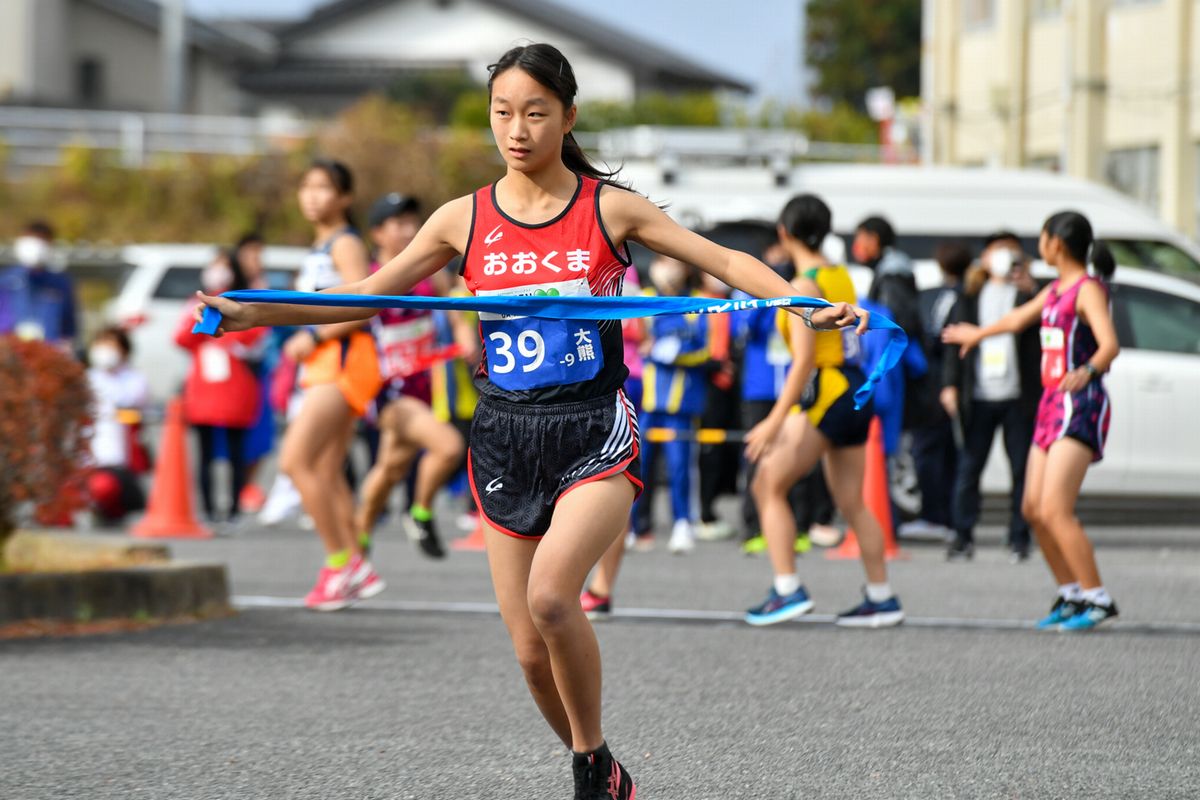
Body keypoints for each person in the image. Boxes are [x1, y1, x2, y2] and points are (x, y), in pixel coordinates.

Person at [195, 43, 867, 799]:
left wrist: (799, 298)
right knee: (525, 650)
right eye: (502, 113)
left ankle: (587, 769)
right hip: (504, 438)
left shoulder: (608, 208)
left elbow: (723, 262)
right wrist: (254, 312)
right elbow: (369, 293)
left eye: (535, 113)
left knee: (554, 598)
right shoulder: (463, 218)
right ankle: (601, 762)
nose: (517, 129)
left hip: (594, 431)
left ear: (568, 116)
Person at [943, 211, 1120, 631]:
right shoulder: (1056, 289)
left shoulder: (1086, 289)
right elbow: (1016, 320)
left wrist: (1089, 370)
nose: (1037, 245)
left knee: (1056, 510)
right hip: (1050, 403)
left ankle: (1098, 597)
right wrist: (976, 334)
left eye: (1041, 238)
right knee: (1032, 510)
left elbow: (1109, 344)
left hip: (1079, 401)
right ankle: (1071, 593)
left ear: (1055, 243)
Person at [744, 194, 903, 628]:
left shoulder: (805, 285)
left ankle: (787, 589)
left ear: (784, 232)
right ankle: (881, 596)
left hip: (828, 392)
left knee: (767, 485)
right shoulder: (838, 274)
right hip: (855, 389)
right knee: (852, 502)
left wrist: (773, 422)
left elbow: (805, 359)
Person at [284, 158, 386, 610]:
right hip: (328, 366)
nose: (312, 196)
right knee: (326, 470)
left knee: (294, 462)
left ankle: (340, 562)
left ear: (344, 198)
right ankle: (356, 567)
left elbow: (363, 307)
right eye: (306, 187)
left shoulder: (345, 243)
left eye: (323, 188)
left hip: (343, 363)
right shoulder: (320, 245)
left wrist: (312, 335)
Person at [355, 191, 471, 558]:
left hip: (425, 389)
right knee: (449, 446)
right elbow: (344, 318)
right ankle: (418, 514)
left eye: (412, 223)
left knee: (390, 468)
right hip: (389, 391)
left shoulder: (427, 273)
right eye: (398, 223)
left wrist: (464, 333)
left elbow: (452, 304)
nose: (408, 230)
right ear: (377, 233)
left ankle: (357, 541)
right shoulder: (370, 278)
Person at [732, 241, 839, 554]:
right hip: (760, 387)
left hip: (792, 385)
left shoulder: (802, 288)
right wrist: (765, 296)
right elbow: (741, 330)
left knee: (796, 456)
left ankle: (800, 526)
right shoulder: (747, 289)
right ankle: (755, 528)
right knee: (756, 457)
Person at [941, 233, 1041, 562]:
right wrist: (950, 386)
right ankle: (962, 535)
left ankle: (1018, 537)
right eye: (996, 251)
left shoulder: (1028, 295)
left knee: (1021, 470)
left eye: (1009, 252)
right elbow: (953, 344)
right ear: (983, 258)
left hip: (1018, 396)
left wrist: (1032, 289)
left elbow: (1046, 328)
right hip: (979, 395)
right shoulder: (969, 295)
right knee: (969, 467)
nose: (1001, 258)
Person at [175, 256, 265, 528]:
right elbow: (182, 338)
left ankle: (234, 510)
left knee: (237, 454)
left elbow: (257, 340)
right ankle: (210, 510)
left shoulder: (244, 303)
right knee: (205, 455)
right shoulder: (196, 304)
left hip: (237, 391)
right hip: (204, 391)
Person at [629, 256, 708, 555]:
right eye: (663, 261)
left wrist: (676, 352)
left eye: (675, 262)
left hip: (682, 401)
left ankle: (683, 524)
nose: (668, 267)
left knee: (679, 467)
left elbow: (705, 349)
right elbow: (636, 333)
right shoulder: (647, 297)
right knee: (638, 466)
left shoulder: (696, 302)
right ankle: (635, 527)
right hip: (648, 399)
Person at [898, 241, 970, 541]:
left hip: (931, 387)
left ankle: (935, 516)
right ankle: (952, 518)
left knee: (929, 452)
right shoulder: (969, 296)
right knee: (952, 453)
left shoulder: (930, 297)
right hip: (959, 385)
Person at [84, 327, 149, 525]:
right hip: (87, 454)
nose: (105, 350)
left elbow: (132, 405)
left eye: (111, 345)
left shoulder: (134, 380)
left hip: (119, 454)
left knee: (108, 485)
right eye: (101, 344)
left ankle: (116, 508)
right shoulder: (86, 378)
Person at [0, 220, 78, 347]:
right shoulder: (5, 281)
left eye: (39, 242)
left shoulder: (61, 283)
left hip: (48, 353)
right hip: (13, 354)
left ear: (49, 244)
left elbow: (68, 327)